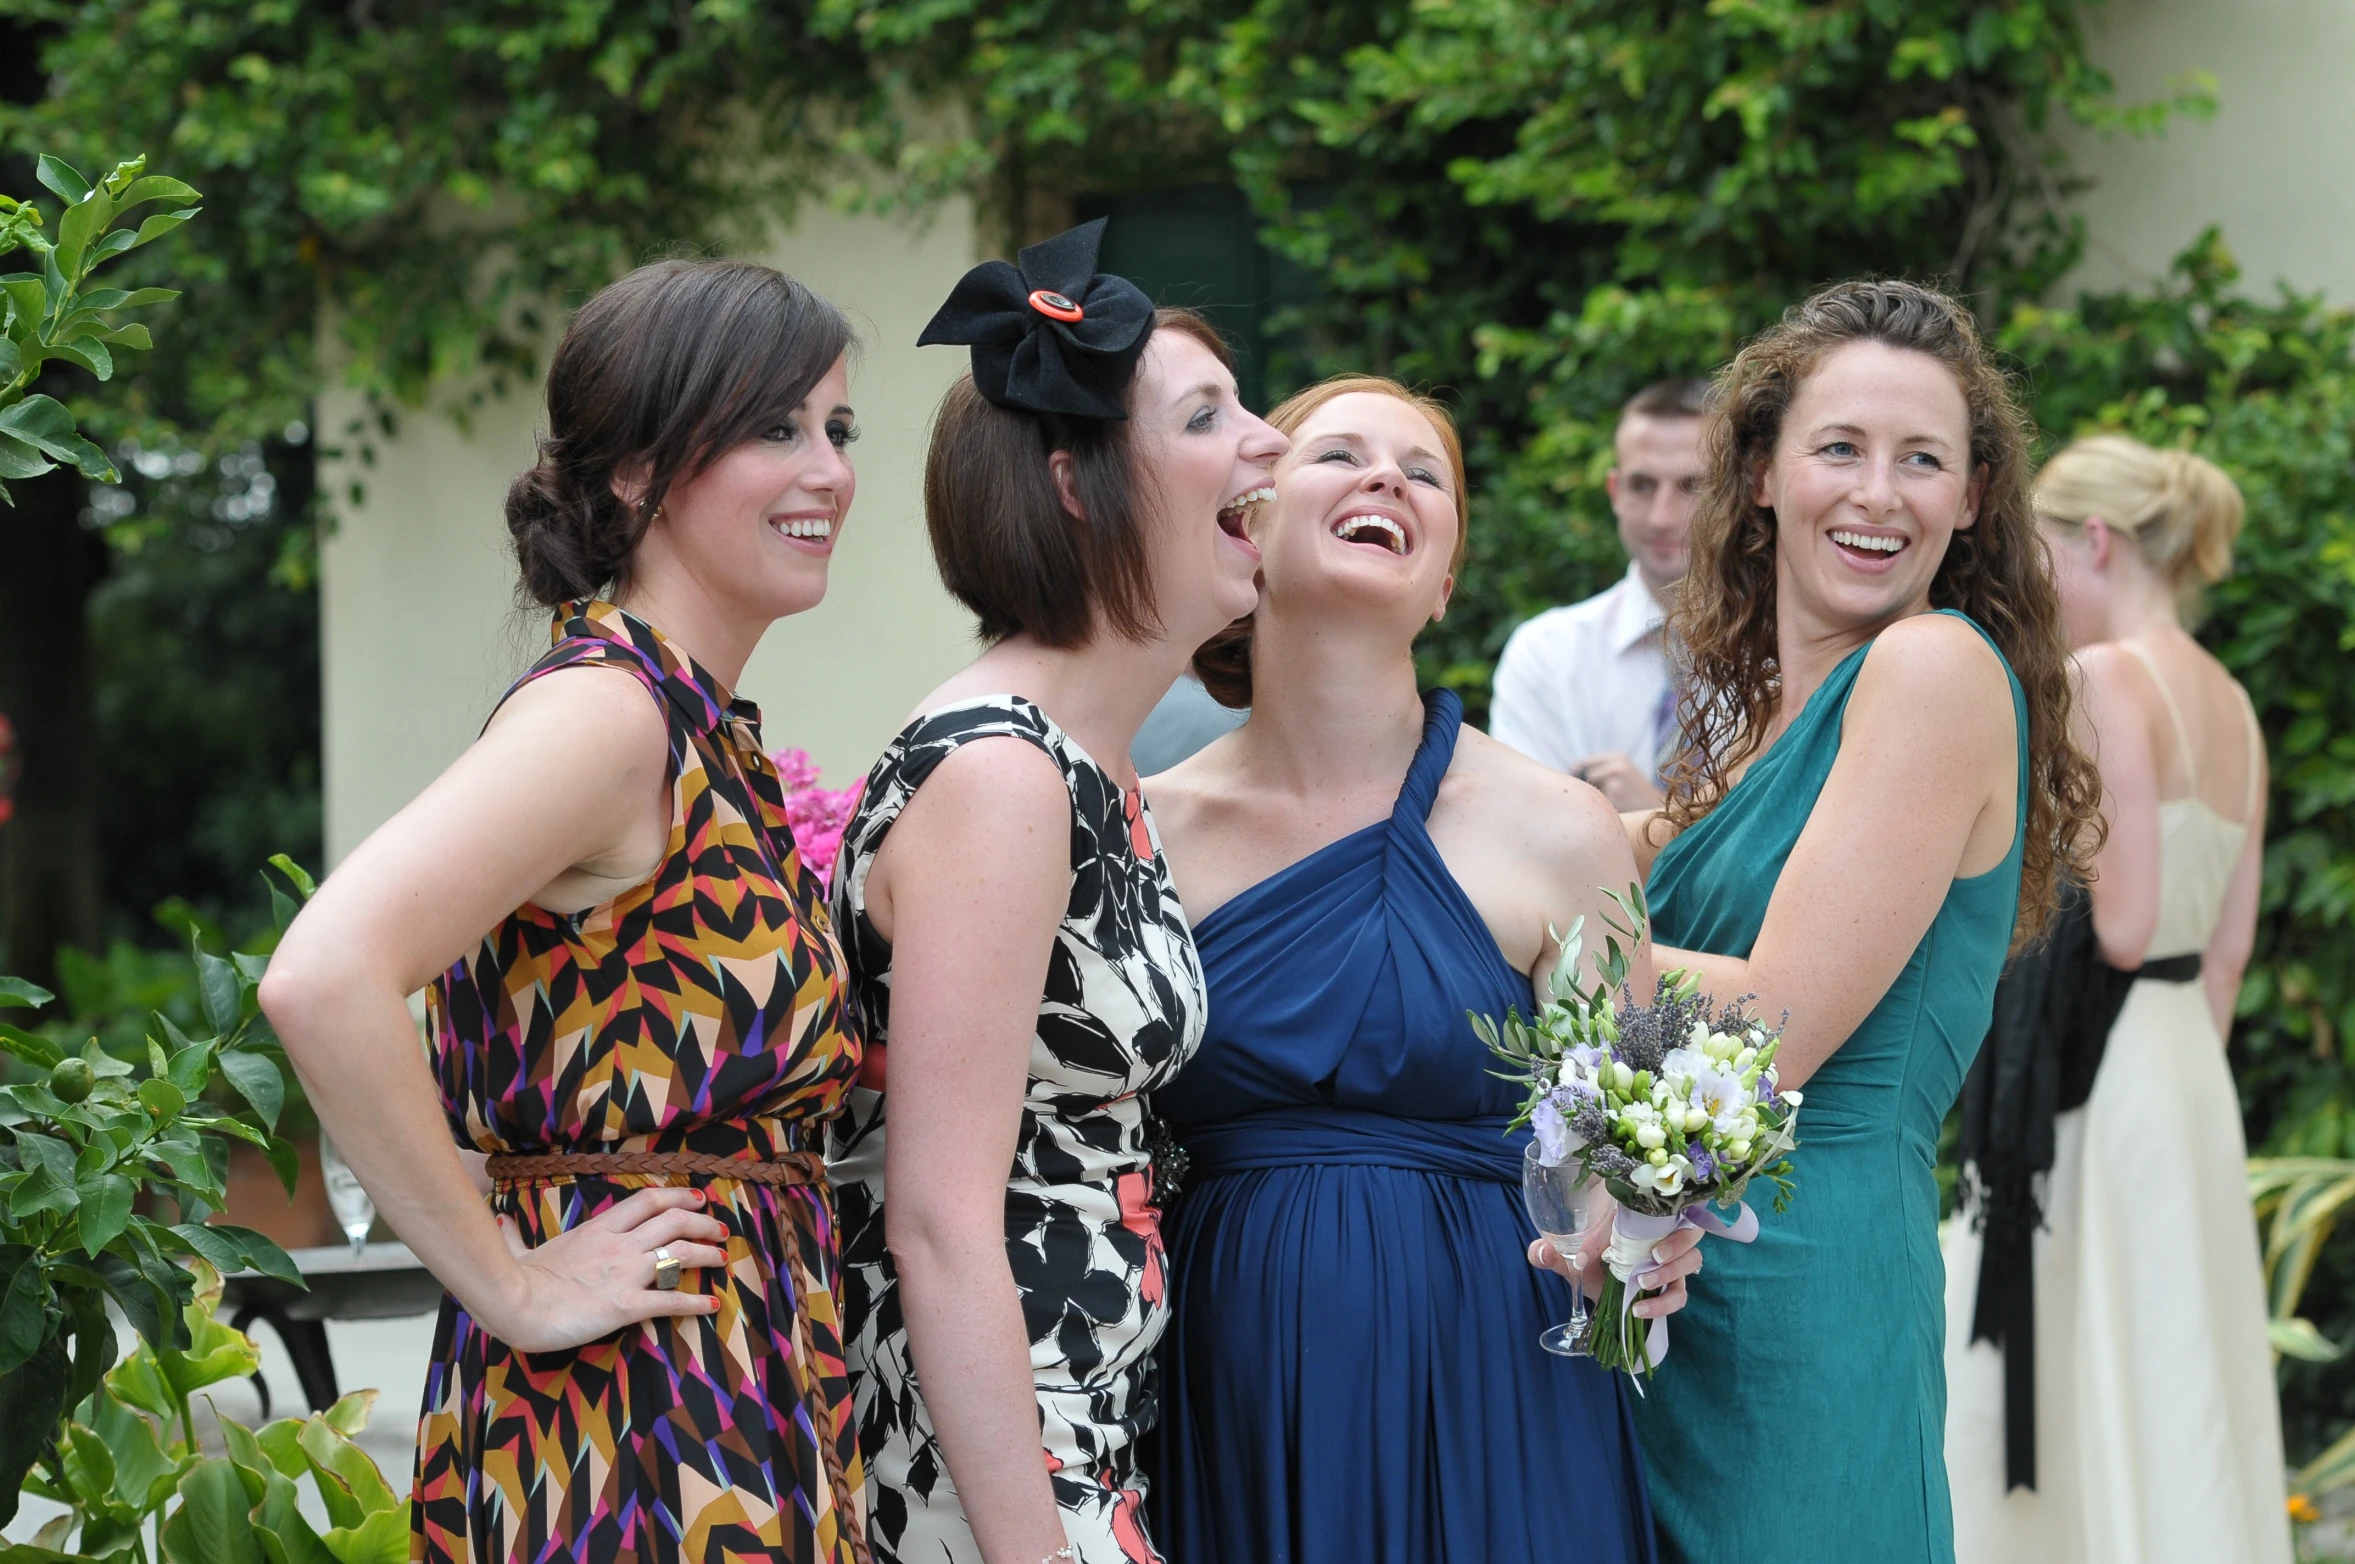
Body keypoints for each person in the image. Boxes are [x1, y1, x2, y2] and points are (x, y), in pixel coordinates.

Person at [259, 260, 873, 1563]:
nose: (826, 469)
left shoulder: (697, 722)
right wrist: (507, 1278)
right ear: (641, 469)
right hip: (626, 1419)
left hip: (728, 1381)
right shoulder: (609, 713)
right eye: (776, 427)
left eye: (836, 428)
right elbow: (322, 977)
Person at [1531, 280, 2104, 1562]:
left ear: (1972, 499)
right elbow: (1582, 892)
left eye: (1923, 460)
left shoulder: (1934, 669)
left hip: (1807, 1294)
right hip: (1662, 1280)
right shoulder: (1745, 749)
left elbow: (1770, 1026)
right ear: (1762, 475)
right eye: (1840, 448)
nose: (1878, 493)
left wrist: (1538, 923)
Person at [1144, 374, 1703, 1563]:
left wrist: (1644, 1239)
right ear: (1243, 522)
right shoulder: (1137, 826)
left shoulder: (1562, 829)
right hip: (1235, 1369)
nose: (1386, 477)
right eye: (1337, 452)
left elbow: (1625, 1131)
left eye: (1425, 471)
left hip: (1495, 1370)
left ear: (1444, 578)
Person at [825, 220, 1285, 1564]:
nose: (1265, 441)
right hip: (989, 1478)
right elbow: (936, 1217)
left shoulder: (1085, 767)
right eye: (1209, 416)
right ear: (1079, 487)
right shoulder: (1002, 777)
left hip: (1078, 1434)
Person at [1943, 435, 2289, 1564]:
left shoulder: (2104, 681)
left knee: (2094, 1328)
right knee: (2177, 1340)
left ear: (2094, 541)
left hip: (2100, 1050)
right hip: (2185, 1059)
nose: (2038, 585)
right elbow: (2223, 948)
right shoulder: (2232, 702)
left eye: (2043, 554)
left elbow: (2124, 923)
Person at [1488, 377, 1709, 807]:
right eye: (1642, 486)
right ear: (1615, 492)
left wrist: (1651, 822)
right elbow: (1524, 843)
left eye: (1692, 487)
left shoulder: (1787, 657)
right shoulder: (1547, 657)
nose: (1662, 517)